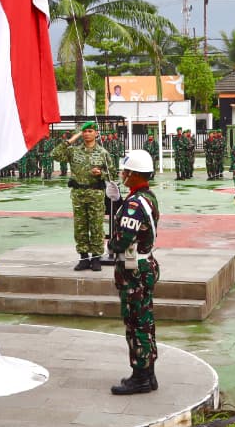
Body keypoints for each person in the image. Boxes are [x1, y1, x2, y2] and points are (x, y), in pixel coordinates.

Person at [108, 149, 161, 395]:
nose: (122, 174)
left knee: (135, 322)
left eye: (125, 171)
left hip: (133, 270)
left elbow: (123, 238)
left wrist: (110, 244)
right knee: (145, 320)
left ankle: (140, 375)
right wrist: (117, 202)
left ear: (133, 174)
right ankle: (148, 374)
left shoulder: (134, 203)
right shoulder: (147, 198)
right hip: (145, 263)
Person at [52, 122, 114, 271]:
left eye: (90, 131)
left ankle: (96, 258)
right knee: (80, 227)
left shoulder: (103, 153)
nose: (87, 134)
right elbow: (54, 154)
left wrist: (101, 174)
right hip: (78, 194)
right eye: (84, 132)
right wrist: (72, 139)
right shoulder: (73, 151)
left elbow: (112, 173)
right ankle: (83, 257)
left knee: (96, 226)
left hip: (96, 194)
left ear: (96, 134)